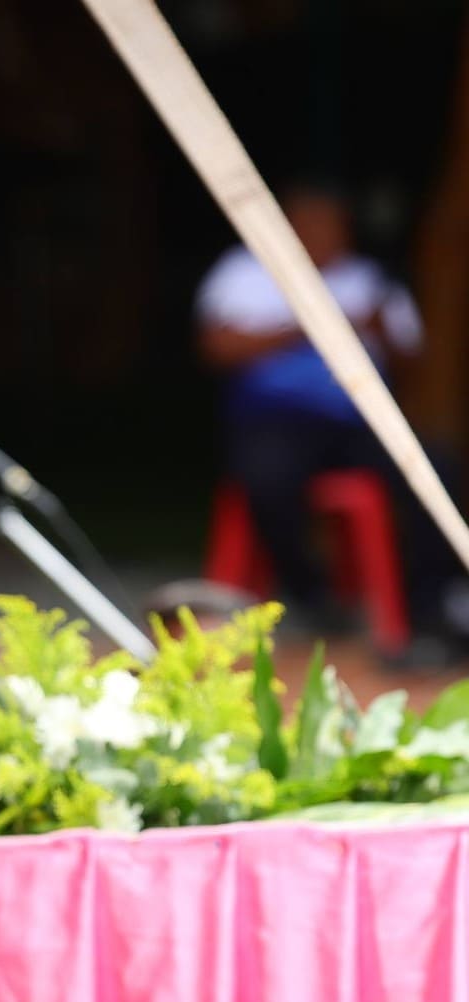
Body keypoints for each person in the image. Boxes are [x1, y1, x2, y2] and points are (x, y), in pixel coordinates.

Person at [195, 182, 464, 657]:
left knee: (437, 469)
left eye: (333, 226)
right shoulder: (244, 272)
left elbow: (412, 360)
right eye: (312, 224)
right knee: (267, 480)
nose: (324, 235)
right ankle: (311, 595)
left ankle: (429, 605)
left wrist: (378, 329)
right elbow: (217, 348)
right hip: (276, 420)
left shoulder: (369, 280)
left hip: (358, 422)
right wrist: (312, 326)